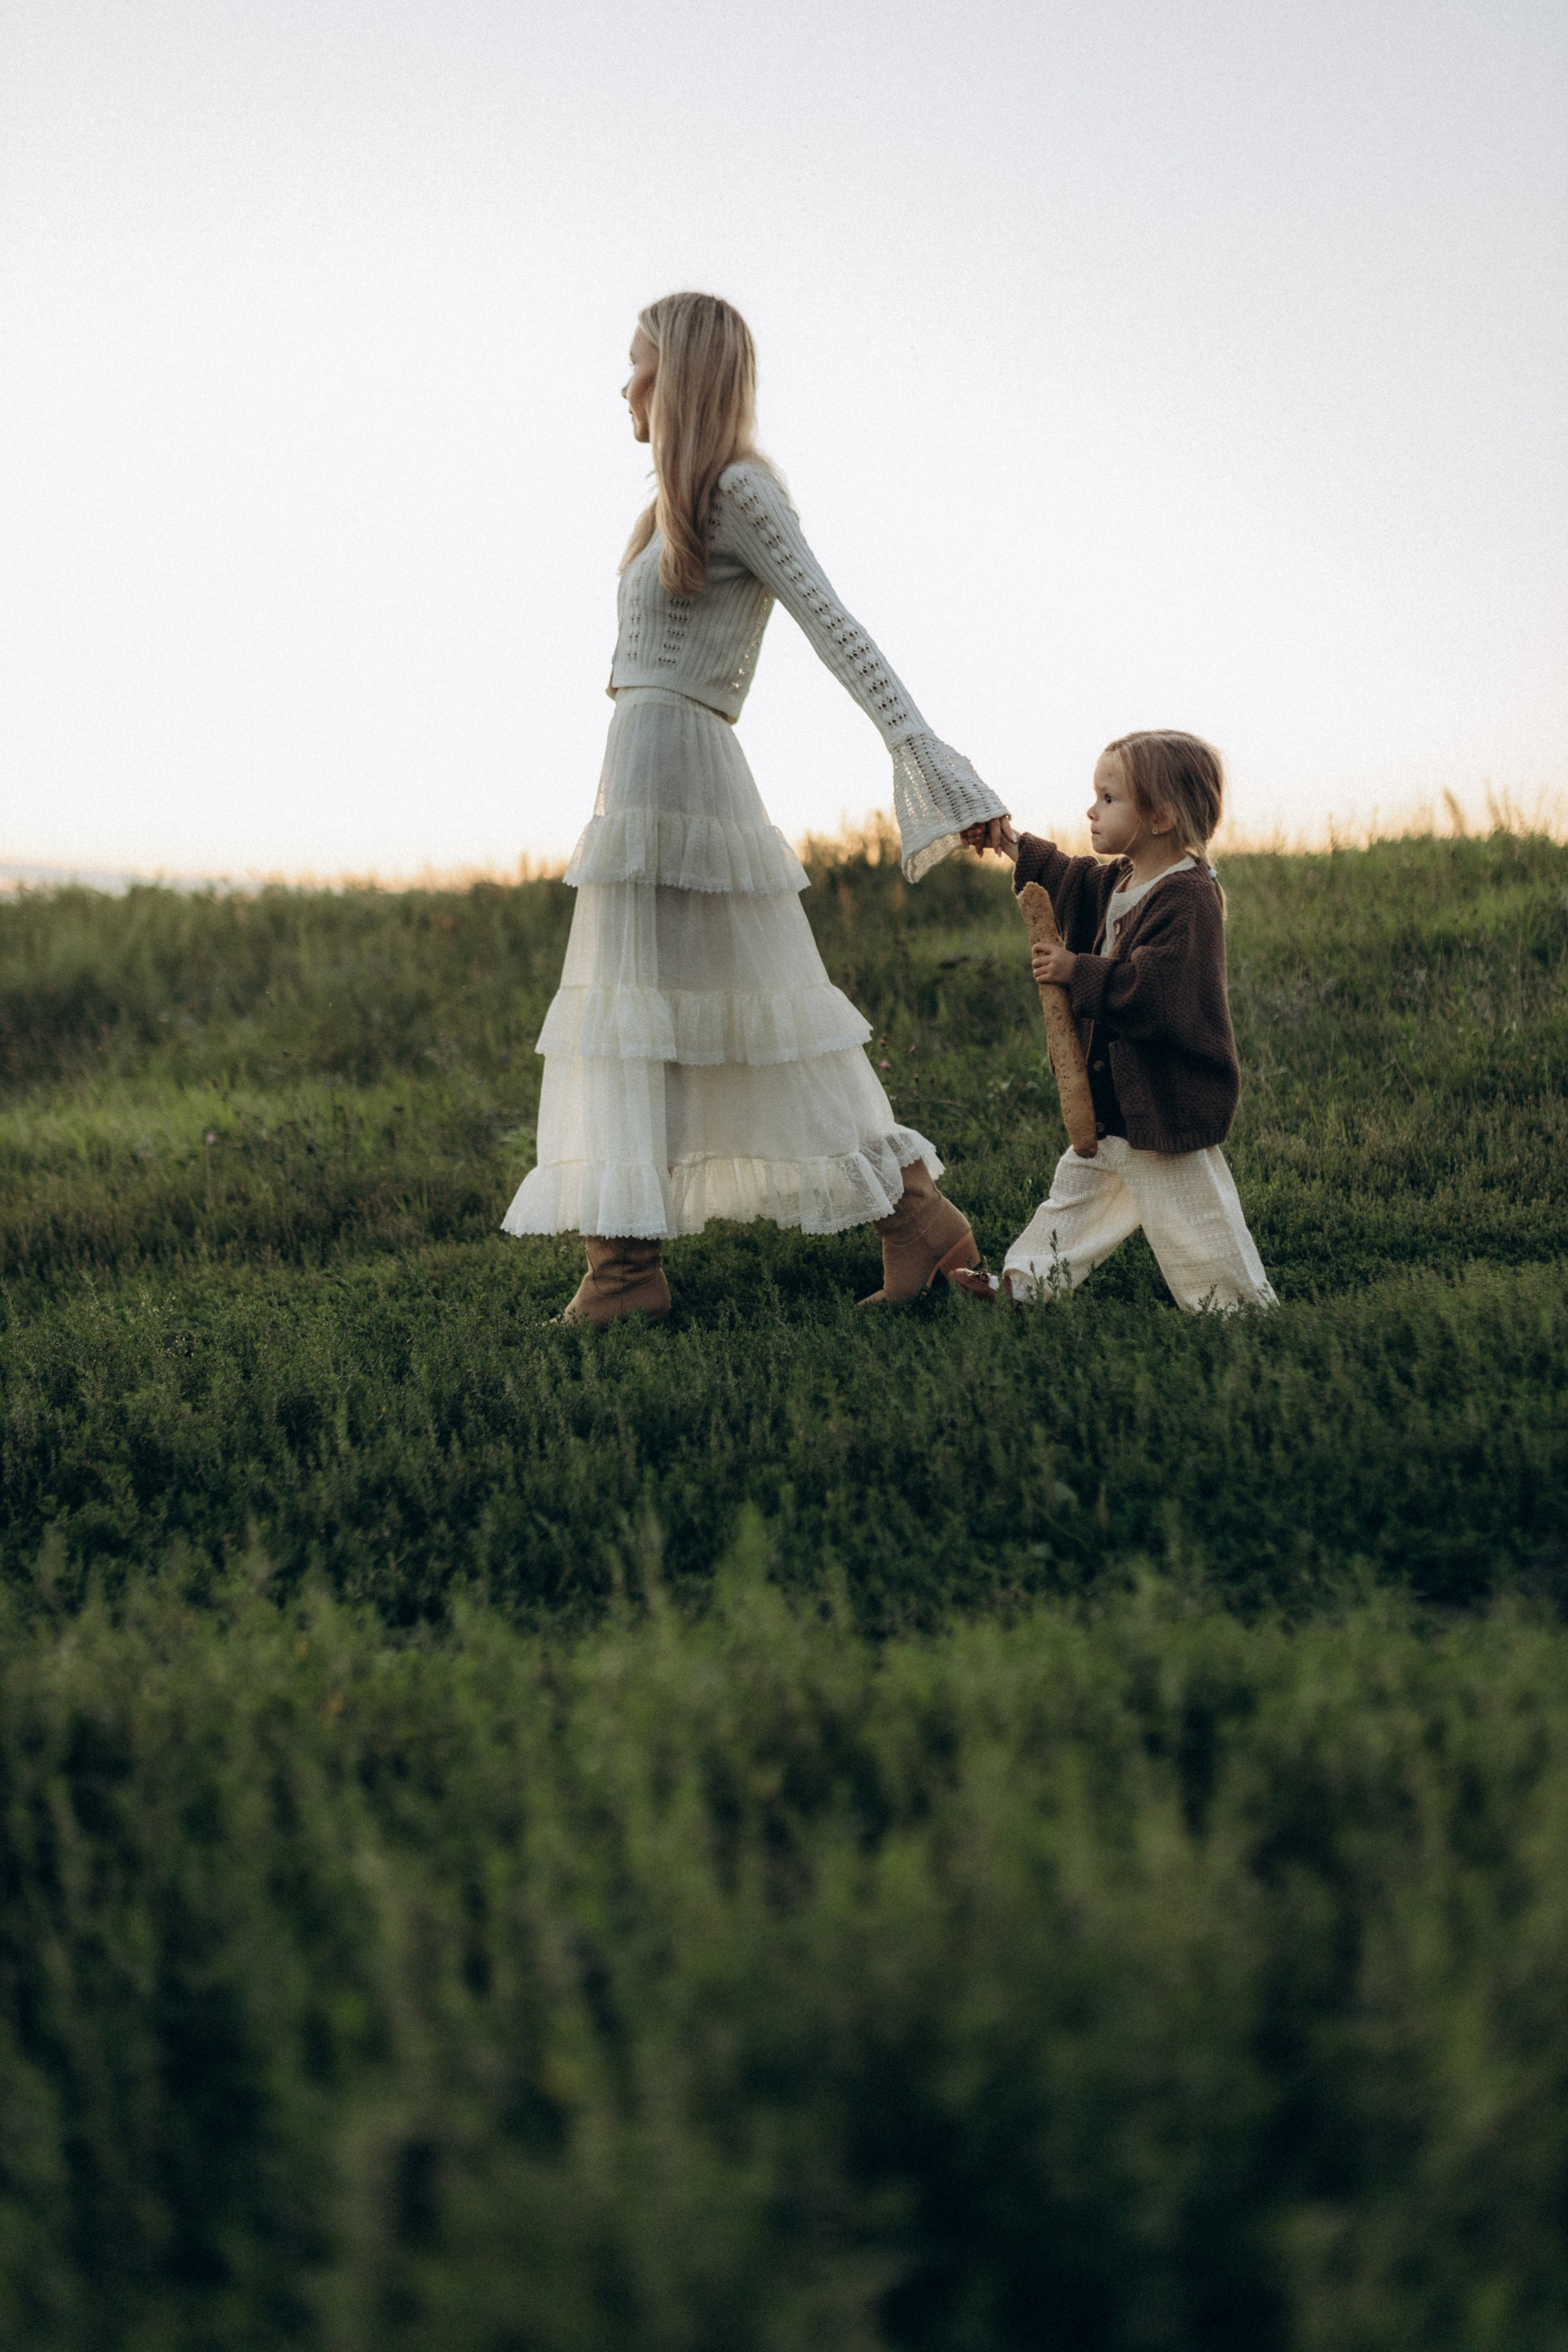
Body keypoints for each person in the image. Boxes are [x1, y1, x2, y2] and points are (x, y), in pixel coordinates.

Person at [504, 291, 1009, 1325]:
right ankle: (633, 1267)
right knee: (645, 1013)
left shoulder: (740, 491)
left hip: (686, 778)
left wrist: (930, 764)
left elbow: (836, 623)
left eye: (637, 361)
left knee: (737, 1010)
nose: (624, 383)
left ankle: (638, 1272)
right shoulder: (670, 506)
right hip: (646, 775)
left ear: (679, 376)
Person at [955, 731, 1276, 1311]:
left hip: (1162, 1101)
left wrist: (1078, 970)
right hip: (1109, 1106)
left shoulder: (1188, 898)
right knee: (1071, 1205)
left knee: (1196, 1220)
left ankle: (1241, 1314)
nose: (1091, 810)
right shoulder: (1119, 880)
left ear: (1160, 815)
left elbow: (1158, 993)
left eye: (1109, 798)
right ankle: (1022, 1289)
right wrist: (1008, 840)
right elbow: (1066, 876)